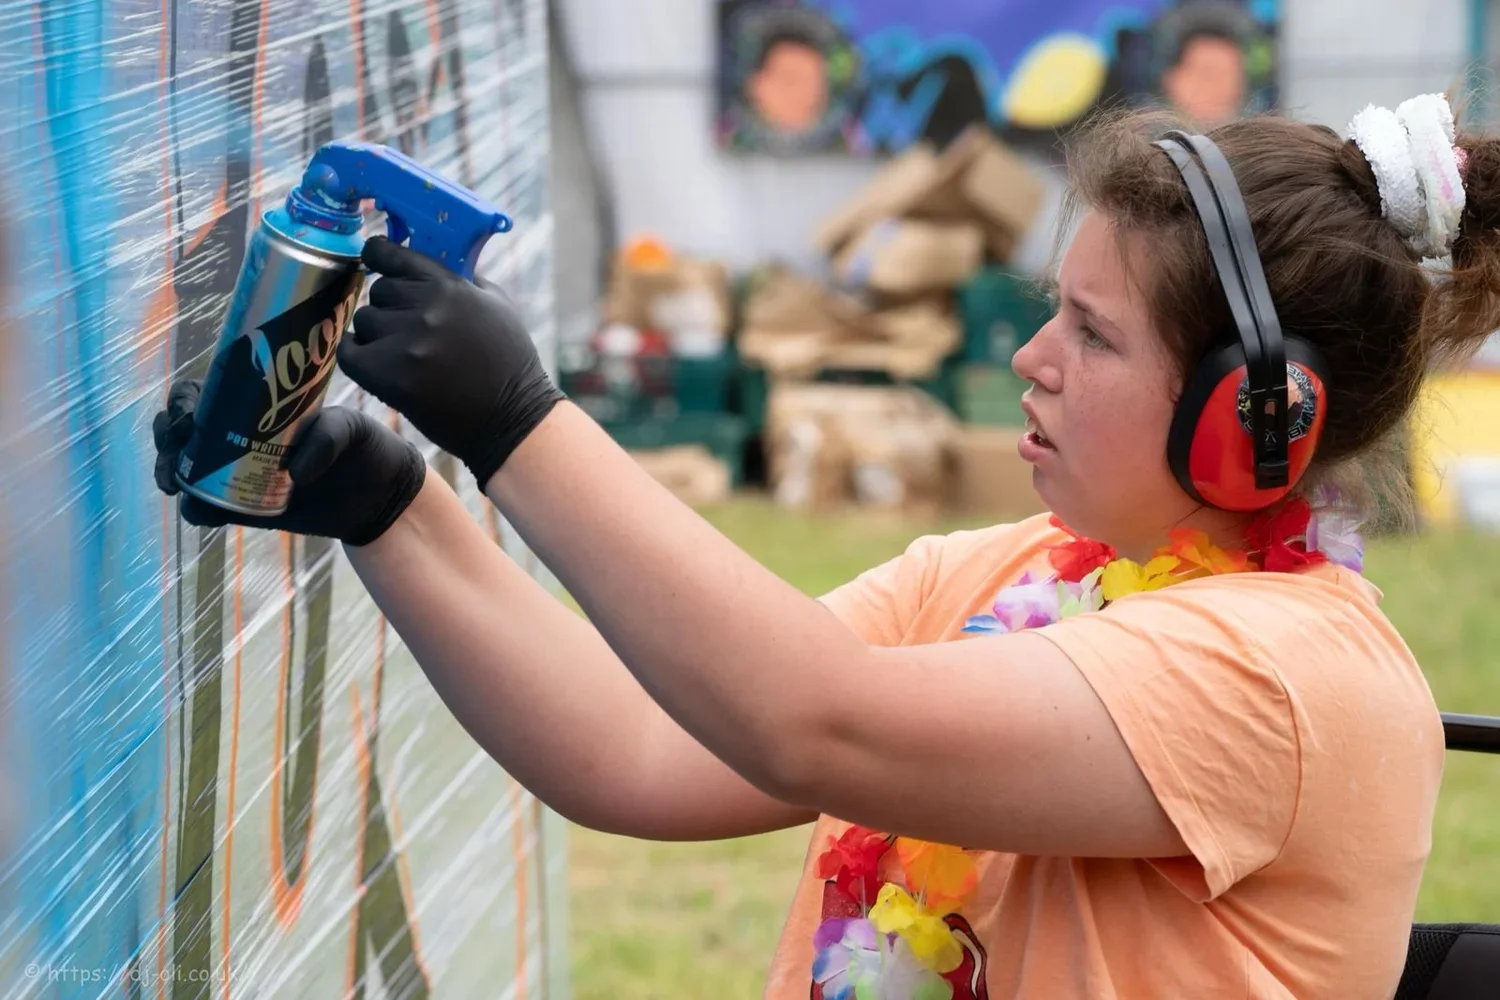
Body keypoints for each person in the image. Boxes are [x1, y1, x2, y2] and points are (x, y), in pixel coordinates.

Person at [152, 92, 1497, 998]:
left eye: (1093, 335)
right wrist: (394, 507)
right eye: (1055, 309)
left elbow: (814, 722)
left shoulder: (1280, 676)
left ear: (1255, 416)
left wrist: (517, 423)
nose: (1031, 359)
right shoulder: (1009, 578)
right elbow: (646, 749)